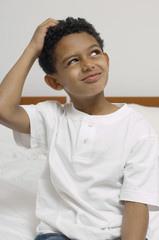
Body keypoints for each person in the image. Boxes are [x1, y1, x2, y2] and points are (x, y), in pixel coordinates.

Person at [0, 17, 158, 240]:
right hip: (59, 234)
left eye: (94, 53)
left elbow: (136, 203)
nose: (88, 64)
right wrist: (32, 49)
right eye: (73, 61)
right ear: (55, 83)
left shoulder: (137, 128)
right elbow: (3, 110)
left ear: (107, 60)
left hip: (115, 234)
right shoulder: (52, 117)